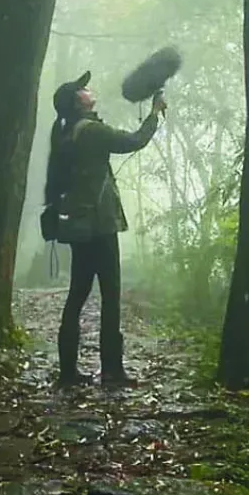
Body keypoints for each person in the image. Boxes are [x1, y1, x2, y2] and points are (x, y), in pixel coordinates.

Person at [45, 69, 165, 387]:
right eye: (83, 90)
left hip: (77, 226)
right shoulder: (91, 131)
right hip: (99, 225)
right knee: (110, 296)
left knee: (77, 295)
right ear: (77, 102)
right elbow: (133, 141)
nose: (88, 90)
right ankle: (112, 370)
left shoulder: (64, 131)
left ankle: (68, 372)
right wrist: (153, 114)